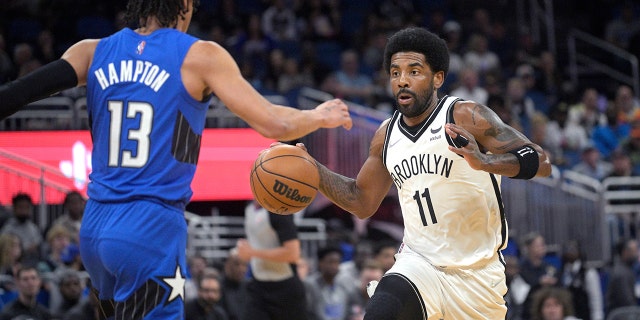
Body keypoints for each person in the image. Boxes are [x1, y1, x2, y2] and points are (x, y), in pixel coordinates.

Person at [0, 0, 352, 318]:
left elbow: (16, 94)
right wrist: (319, 116)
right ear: (185, 4)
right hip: (148, 228)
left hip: (94, 230)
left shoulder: (92, 51)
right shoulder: (200, 55)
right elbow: (275, 122)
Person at [300, 27, 552, 319]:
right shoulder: (386, 135)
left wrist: (484, 162)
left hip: (478, 277)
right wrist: (313, 170)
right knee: (383, 308)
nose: (402, 81)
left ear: (438, 78)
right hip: (419, 264)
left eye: (414, 71)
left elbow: (541, 161)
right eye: (395, 73)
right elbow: (362, 201)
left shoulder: (464, 115)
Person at [236, 201, 308, 320]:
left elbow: (293, 253)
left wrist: (253, 253)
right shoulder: (249, 209)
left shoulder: (279, 210)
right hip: (258, 285)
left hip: (285, 289)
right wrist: (244, 251)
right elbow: (257, 244)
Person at [0, 193, 43, 264]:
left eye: (26, 207)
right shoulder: (7, 229)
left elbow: (39, 247)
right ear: (14, 208)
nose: (24, 211)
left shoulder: (33, 228)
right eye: (21, 207)